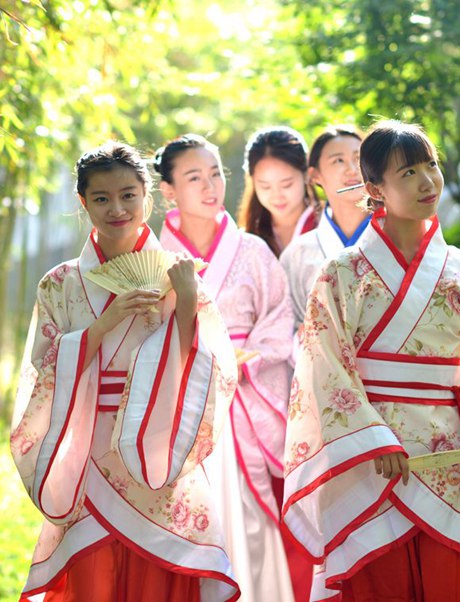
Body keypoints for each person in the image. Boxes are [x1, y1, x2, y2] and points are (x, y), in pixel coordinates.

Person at [281, 120, 460, 601]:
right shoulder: (340, 275)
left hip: (450, 450)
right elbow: (324, 365)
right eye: (409, 172)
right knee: (382, 583)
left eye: (431, 166)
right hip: (373, 458)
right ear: (375, 189)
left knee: (453, 581)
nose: (427, 181)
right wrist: (371, 437)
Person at [9, 141, 240, 602]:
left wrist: (186, 301)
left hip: (157, 447)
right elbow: (43, 373)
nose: (117, 209)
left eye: (128, 195)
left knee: (160, 581)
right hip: (87, 451)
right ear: (83, 202)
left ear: (147, 197)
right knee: (92, 580)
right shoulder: (59, 283)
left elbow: (209, 368)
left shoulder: (180, 275)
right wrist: (104, 325)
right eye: (102, 198)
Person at [155, 134, 296, 602]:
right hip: (184, 404)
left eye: (216, 174)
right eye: (194, 177)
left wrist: (245, 360)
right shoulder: (152, 260)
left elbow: (278, 320)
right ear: (169, 190)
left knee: (250, 520)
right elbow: (145, 337)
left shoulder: (252, 250)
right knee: (189, 517)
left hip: (244, 400)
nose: (210, 186)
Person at [279, 126, 371, 328]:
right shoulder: (297, 254)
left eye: (358, 158)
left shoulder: (399, 237)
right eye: (338, 160)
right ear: (314, 175)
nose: (352, 169)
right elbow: (287, 329)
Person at [237, 126, 320, 257]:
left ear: (306, 175)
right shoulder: (246, 240)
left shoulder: (327, 226)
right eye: (265, 186)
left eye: (286, 185)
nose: (277, 196)